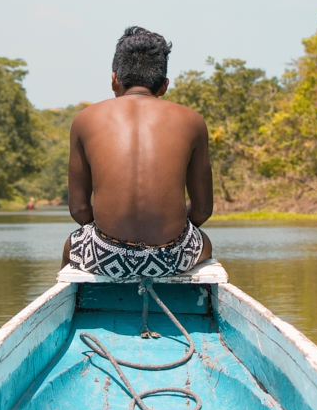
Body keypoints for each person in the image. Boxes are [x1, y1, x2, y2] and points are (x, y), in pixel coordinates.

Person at [61, 26, 213, 278]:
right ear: (164, 86)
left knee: (71, 245)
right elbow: (202, 210)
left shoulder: (84, 119)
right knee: (204, 242)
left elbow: (78, 210)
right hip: (170, 258)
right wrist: (165, 234)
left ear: (114, 80)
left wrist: (116, 239)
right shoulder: (193, 120)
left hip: (106, 257)